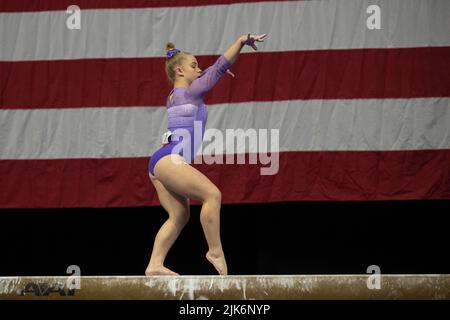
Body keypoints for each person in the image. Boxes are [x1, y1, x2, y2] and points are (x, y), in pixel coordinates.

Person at [146, 33, 268, 276]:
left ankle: (154, 265)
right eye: (194, 65)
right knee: (212, 195)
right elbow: (219, 67)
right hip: (170, 158)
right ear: (179, 70)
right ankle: (214, 250)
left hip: (159, 163)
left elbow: (210, 76)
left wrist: (204, 76)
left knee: (179, 215)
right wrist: (241, 41)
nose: (199, 68)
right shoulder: (189, 94)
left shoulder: (176, 96)